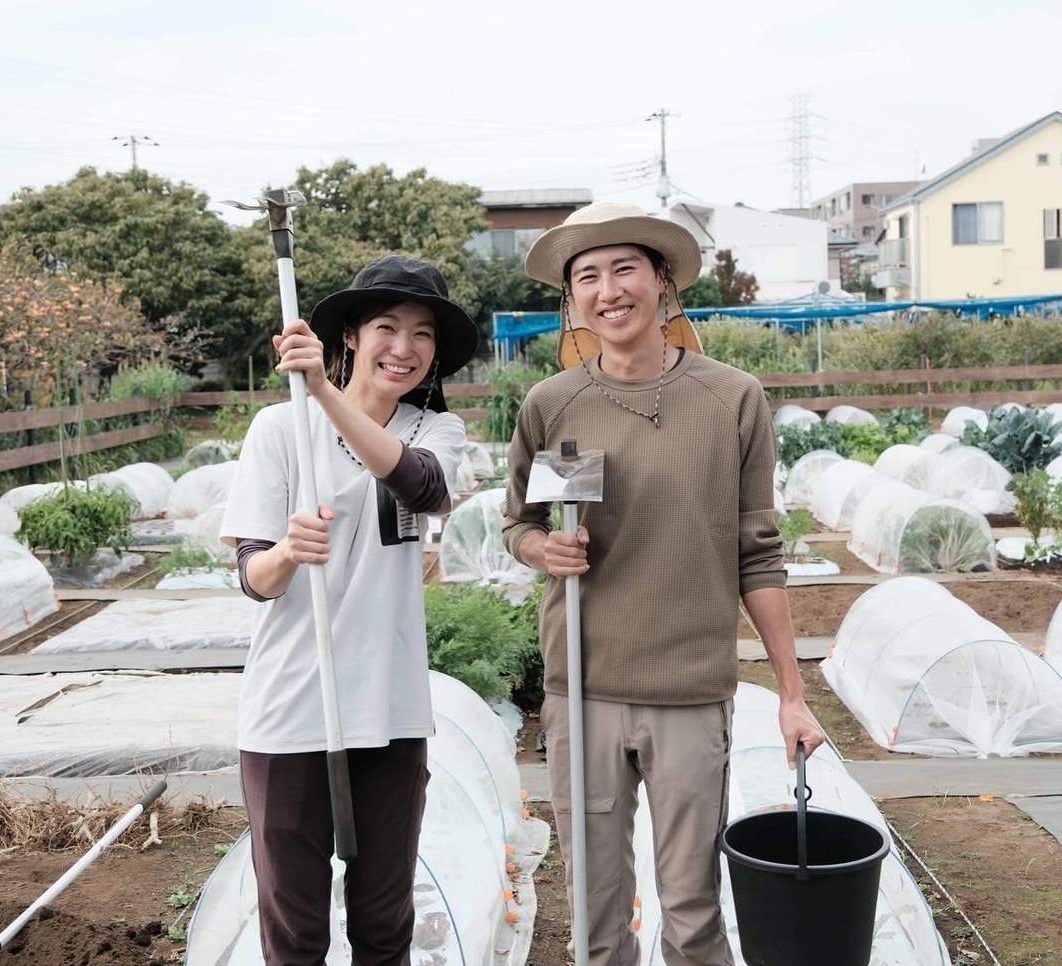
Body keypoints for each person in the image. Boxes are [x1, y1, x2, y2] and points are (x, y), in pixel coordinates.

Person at [500, 203, 826, 966]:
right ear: (573, 299)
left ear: (662, 282)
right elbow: (517, 522)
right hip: (584, 689)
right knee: (594, 908)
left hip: (690, 689)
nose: (607, 290)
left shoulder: (731, 398)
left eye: (624, 270)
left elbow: (758, 552)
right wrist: (543, 547)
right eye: (588, 276)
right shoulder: (552, 405)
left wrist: (791, 691)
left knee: (690, 907)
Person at [220, 254, 479, 963]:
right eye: (387, 327)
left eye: (422, 334)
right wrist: (287, 554)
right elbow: (252, 575)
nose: (404, 348)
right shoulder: (279, 432)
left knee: (383, 919)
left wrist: (324, 394)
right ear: (353, 338)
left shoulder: (437, 434)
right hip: (289, 709)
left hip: (391, 708)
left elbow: (420, 486)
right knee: (295, 929)